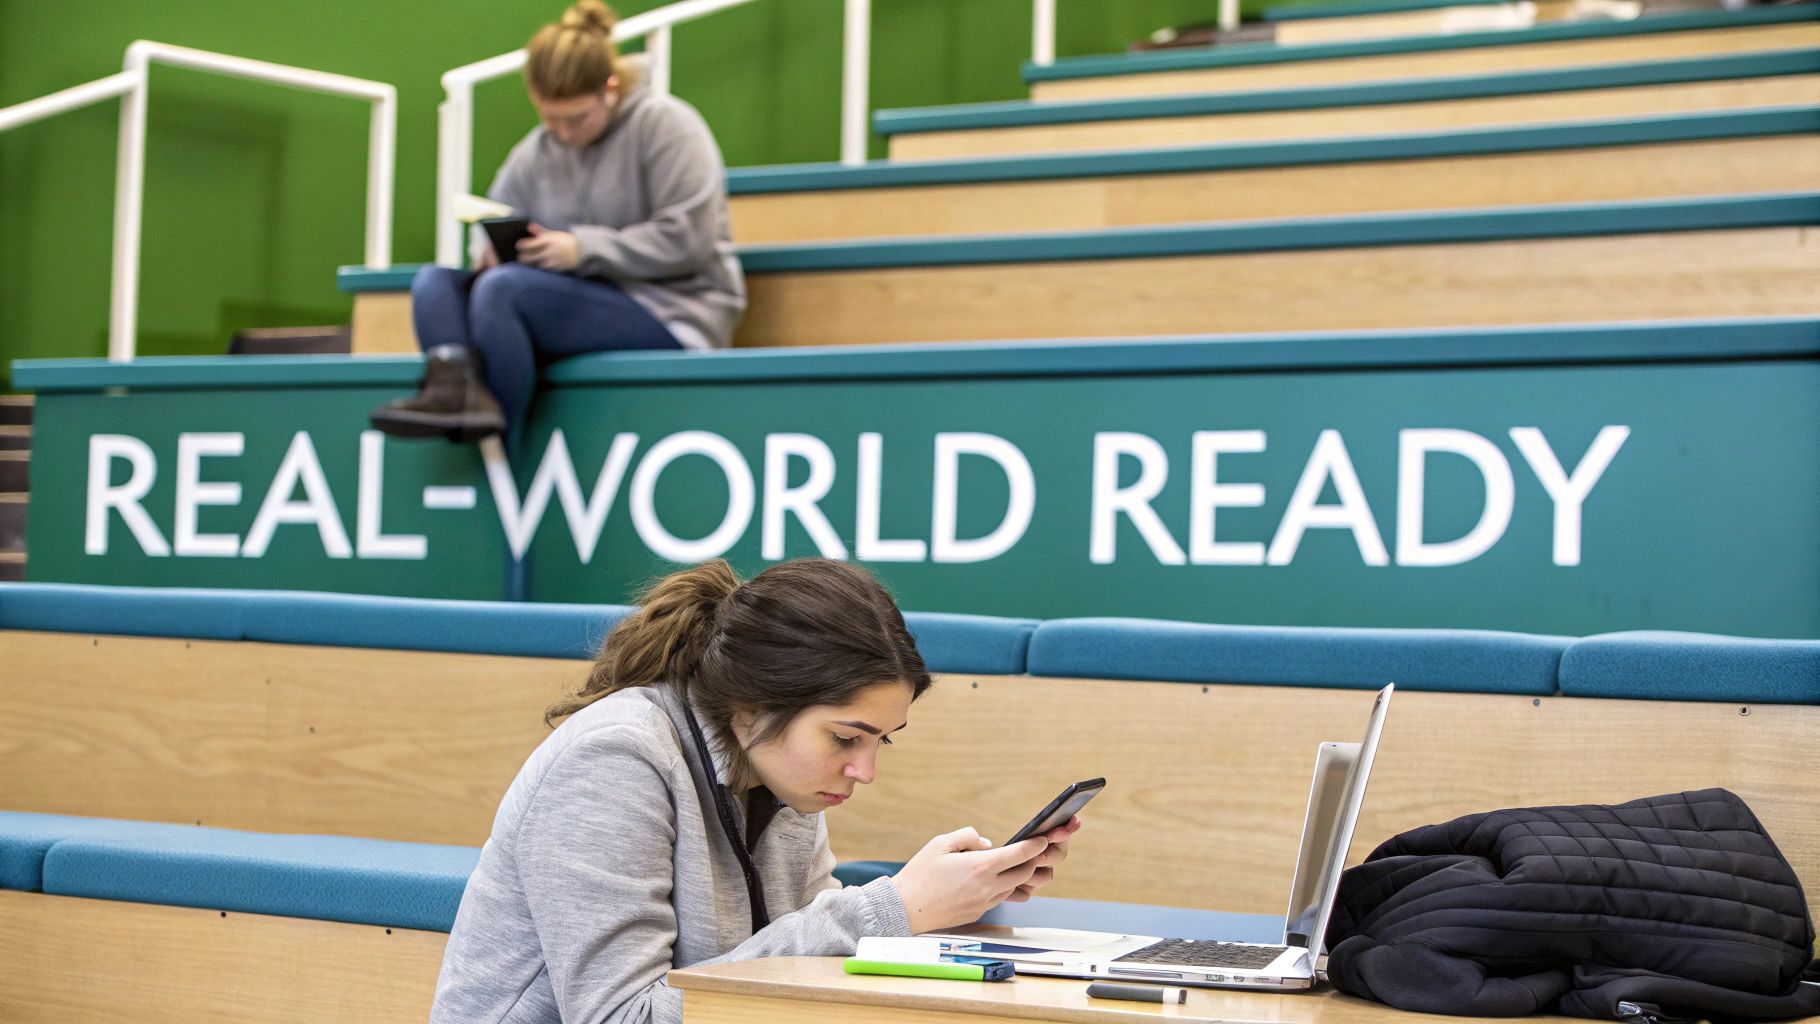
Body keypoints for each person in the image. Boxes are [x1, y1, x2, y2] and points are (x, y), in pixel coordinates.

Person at [428, 558, 1082, 1023]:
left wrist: (951, 906)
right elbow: (623, 1018)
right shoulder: (614, 760)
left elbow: (809, 958)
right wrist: (889, 911)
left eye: (883, 739)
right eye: (846, 738)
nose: (865, 771)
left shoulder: (781, 776)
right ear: (753, 705)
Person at [373, 0, 746, 443]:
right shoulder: (536, 150)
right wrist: (490, 253)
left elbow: (690, 238)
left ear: (609, 87)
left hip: (671, 308)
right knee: (434, 284)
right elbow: (500, 214)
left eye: (576, 118)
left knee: (503, 291)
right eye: (550, 118)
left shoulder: (667, 126)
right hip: (572, 300)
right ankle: (457, 396)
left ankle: (500, 445)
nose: (564, 132)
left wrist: (581, 249)